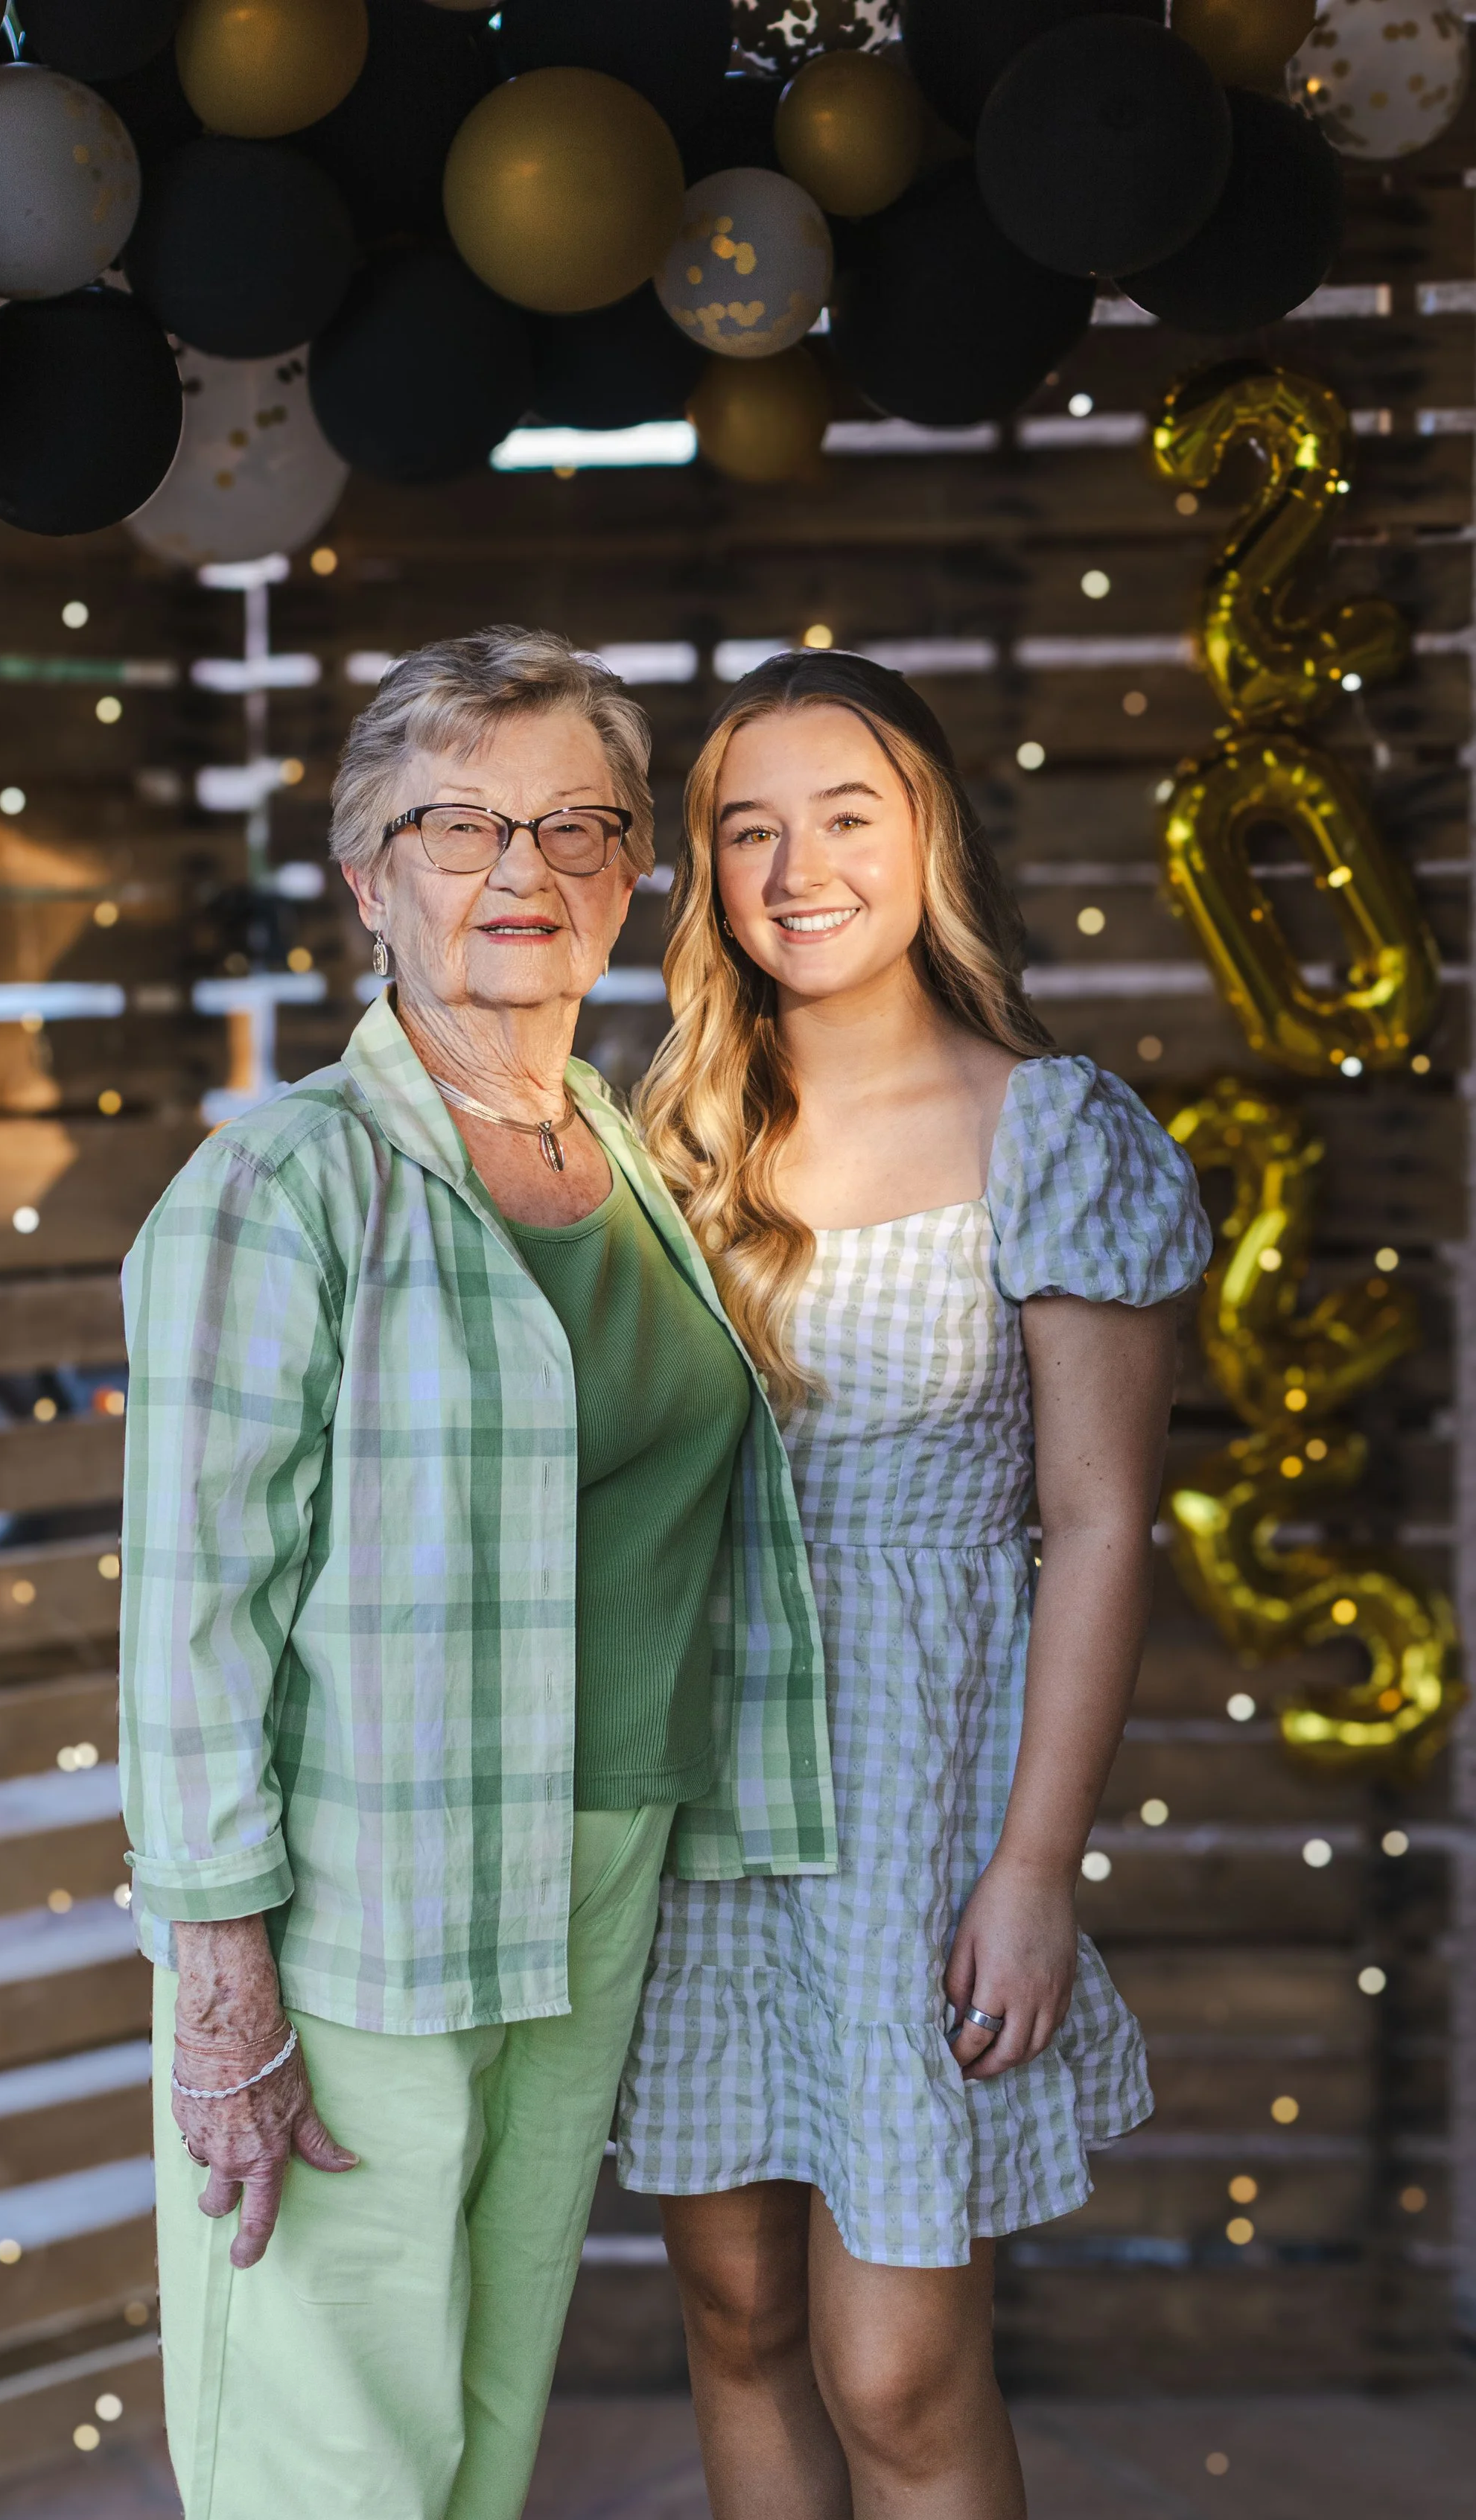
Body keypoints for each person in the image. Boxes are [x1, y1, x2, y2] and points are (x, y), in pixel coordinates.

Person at [117, 627, 834, 2520]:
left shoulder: (627, 1150)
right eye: (459, 827)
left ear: (626, 879)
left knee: (484, 2401)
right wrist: (217, 1986)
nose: (521, 873)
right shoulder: (286, 1183)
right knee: (330, 2438)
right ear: (369, 878)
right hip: (363, 1881)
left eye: (575, 828)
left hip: (596, 1855)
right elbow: (189, 1619)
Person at [619, 649, 1212, 2519]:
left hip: (915, 1809)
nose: (798, 866)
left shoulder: (1055, 1129)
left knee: (890, 2367)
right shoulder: (672, 1145)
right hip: (697, 1790)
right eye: (748, 829)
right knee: (727, 2307)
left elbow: (1101, 1524)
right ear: (706, 871)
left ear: (929, 838)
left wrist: (1033, 1873)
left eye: (847, 816)